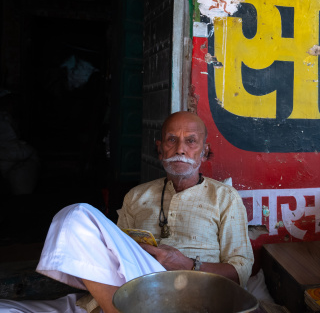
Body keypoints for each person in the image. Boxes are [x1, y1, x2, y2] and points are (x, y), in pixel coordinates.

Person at [0, 111, 254, 313]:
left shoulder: (224, 197)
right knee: (72, 216)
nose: (180, 149)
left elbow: (240, 271)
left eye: (190, 141)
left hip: (189, 294)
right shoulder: (137, 195)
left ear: (205, 151)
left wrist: (186, 264)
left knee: (79, 213)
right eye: (171, 140)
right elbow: (114, 257)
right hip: (130, 287)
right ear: (159, 148)